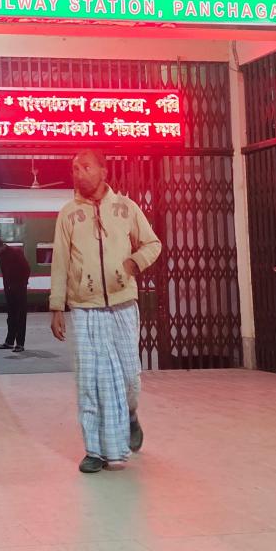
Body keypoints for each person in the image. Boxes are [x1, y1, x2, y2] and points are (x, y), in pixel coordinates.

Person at [49, 149, 162, 473]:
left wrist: (133, 262)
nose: (78, 173)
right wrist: (57, 306)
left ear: (103, 172)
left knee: (129, 377)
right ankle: (95, 451)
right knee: (89, 380)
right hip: (84, 308)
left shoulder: (127, 209)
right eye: (74, 168)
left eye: (85, 167)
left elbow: (152, 244)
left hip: (123, 304)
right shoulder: (67, 214)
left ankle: (129, 415)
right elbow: (60, 262)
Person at [0, 238, 32, 352]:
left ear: (0, 246)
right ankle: (9, 342)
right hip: (8, 289)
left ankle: (20, 344)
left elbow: (27, 269)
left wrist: (22, 284)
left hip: (19, 288)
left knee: (20, 316)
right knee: (11, 316)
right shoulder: (0, 255)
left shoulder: (16, 252)